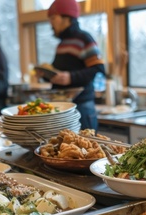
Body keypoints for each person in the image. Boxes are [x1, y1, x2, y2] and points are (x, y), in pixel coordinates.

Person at [45, 0, 105, 130]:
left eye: (53, 18)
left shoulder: (84, 39)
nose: (51, 23)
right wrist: (46, 74)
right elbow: (59, 72)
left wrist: (71, 77)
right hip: (63, 108)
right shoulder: (62, 44)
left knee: (87, 149)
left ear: (66, 18)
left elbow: (98, 68)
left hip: (82, 108)